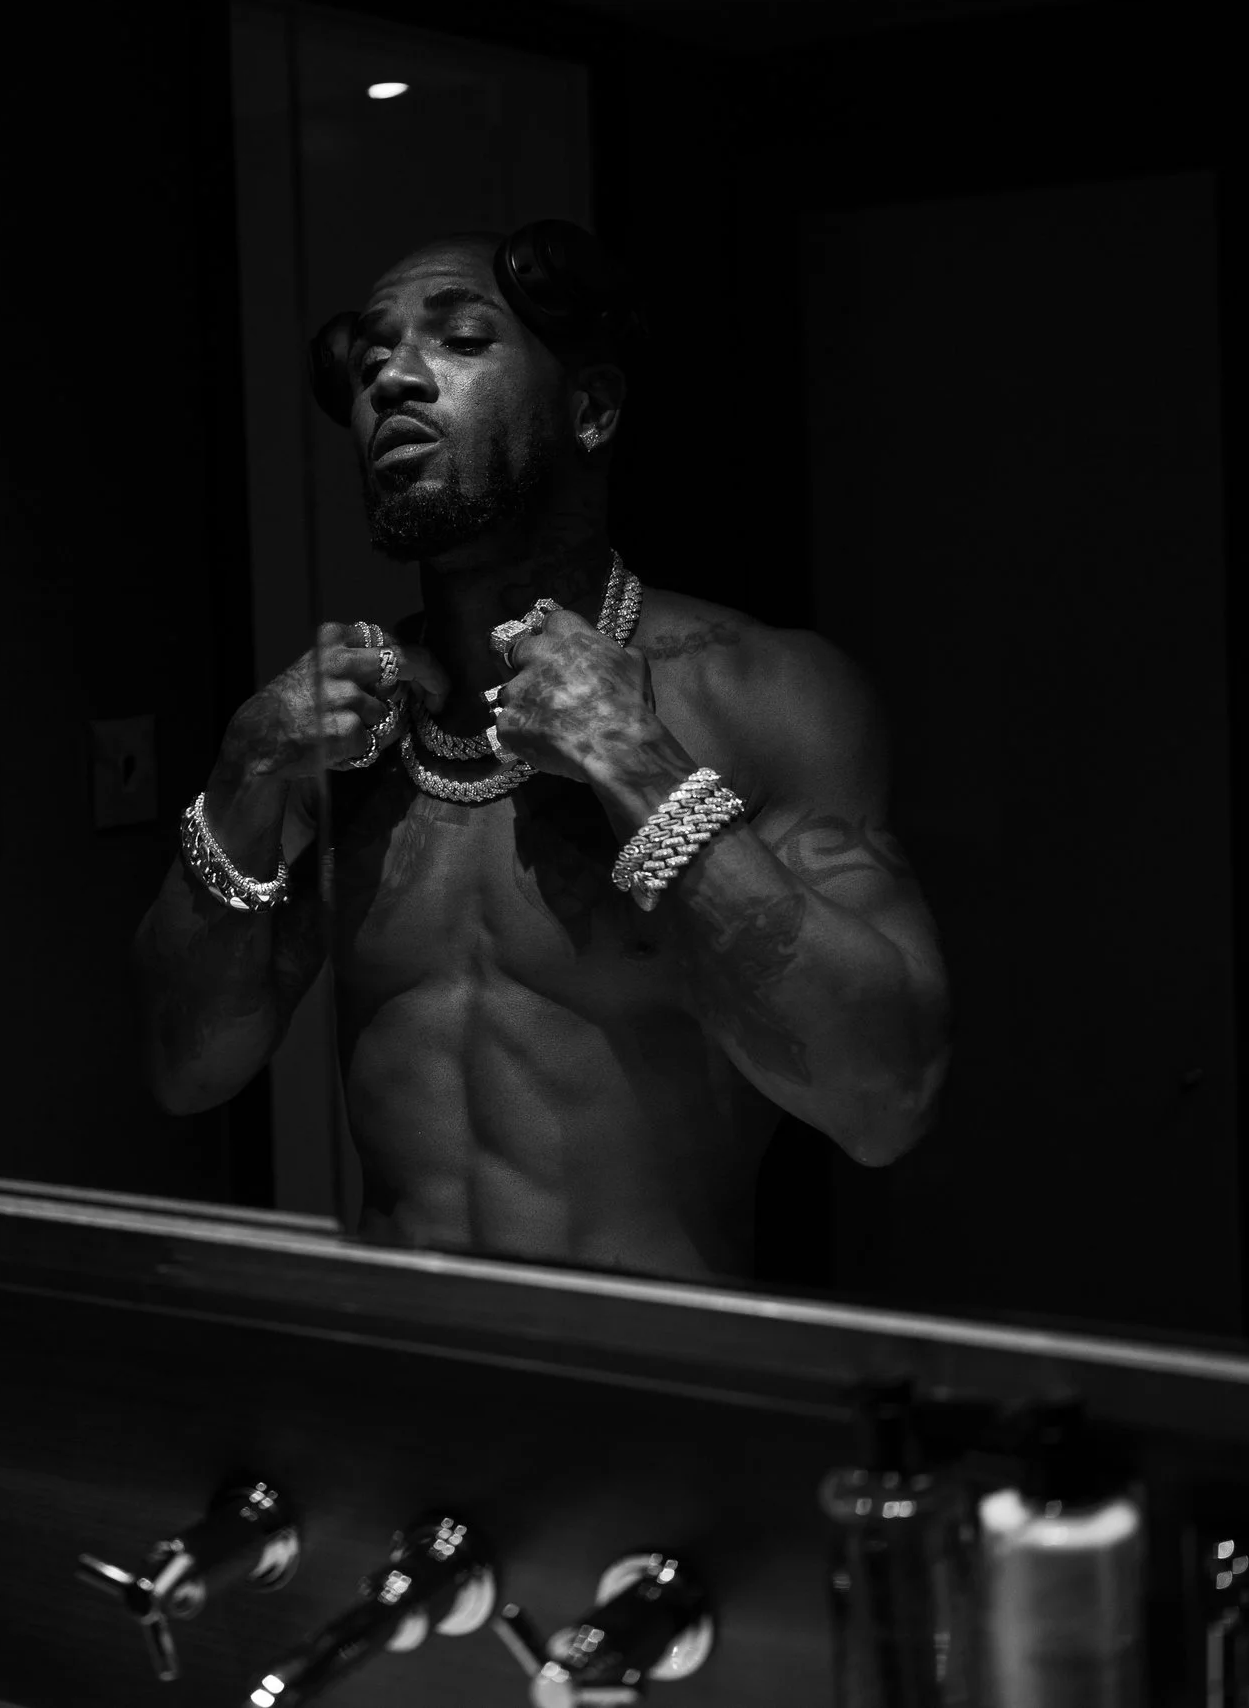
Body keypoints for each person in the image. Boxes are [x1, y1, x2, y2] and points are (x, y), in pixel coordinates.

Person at [135, 223, 951, 1280]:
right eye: (372, 356)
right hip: (405, 1361)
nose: (393, 379)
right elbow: (184, 1071)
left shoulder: (762, 695)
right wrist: (241, 776)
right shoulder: (344, 734)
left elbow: (887, 1100)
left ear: (591, 408)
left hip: (644, 1365)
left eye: (461, 339)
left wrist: (639, 764)